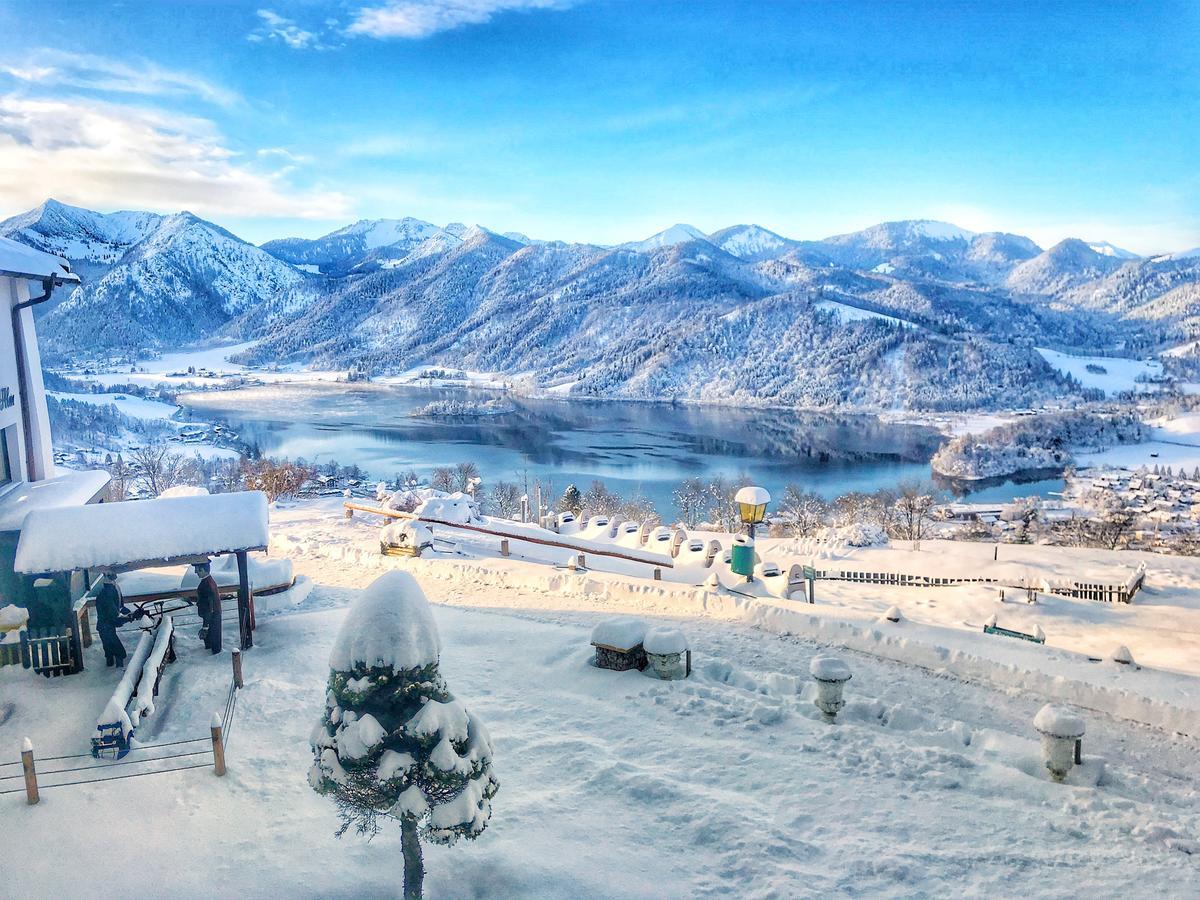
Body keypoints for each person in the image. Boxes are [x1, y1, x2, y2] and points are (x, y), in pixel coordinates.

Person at [95, 573, 140, 667]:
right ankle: (115, 669)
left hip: (106, 624)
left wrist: (128, 614)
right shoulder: (106, 592)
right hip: (106, 624)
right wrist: (128, 617)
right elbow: (113, 613)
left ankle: (112, 668)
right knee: (114, 647)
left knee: (109, 645)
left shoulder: (114, 587)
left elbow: (119, 606)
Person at [194, 561, 222, 654]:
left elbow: (209, 605)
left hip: (211, 615)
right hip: (212, 614)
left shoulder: (206, 584)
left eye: (197, 569)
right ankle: (212, 651)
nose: (195, 572)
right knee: (213, 637)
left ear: (202, 570)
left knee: (214, 638)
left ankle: (214, 655)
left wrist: (206, 625)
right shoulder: (208, 581)